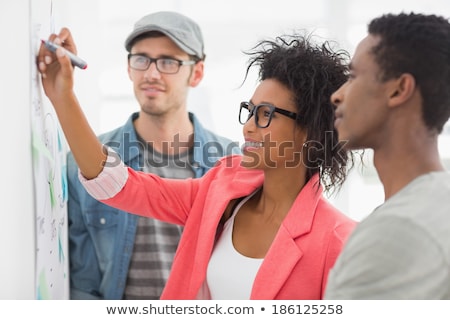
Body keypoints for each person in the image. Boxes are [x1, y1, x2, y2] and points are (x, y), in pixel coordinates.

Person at [38, 28, 357, 299]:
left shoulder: (339, 240)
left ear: (309, 131)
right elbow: (120, 185)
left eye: (266, 115)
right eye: (250, 110)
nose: (248, 127)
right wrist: (63, 96)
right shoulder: (221, 188)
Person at [63, 11, 240, 299]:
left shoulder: (233, 165)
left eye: (168, 62)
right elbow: (83, 284)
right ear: (129, 67)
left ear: (196, 73)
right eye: (141, 59)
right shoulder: (84, 163)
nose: (151, 73)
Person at [325, 12, 450, 299]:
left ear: (398, 89)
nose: (337, 95)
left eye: (353, 77)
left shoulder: (399, 229)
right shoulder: (434, 204)